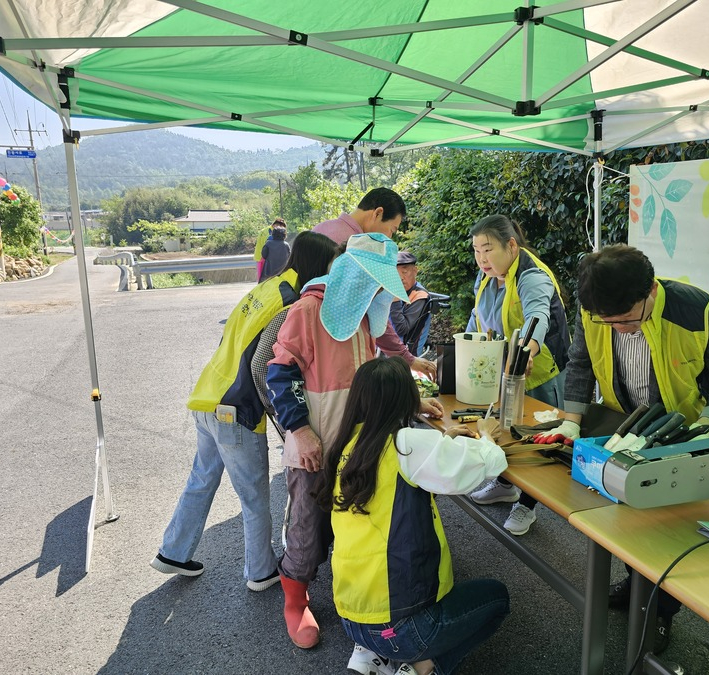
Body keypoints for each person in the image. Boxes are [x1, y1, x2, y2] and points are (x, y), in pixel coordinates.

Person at [557, 243, 709, 653]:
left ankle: (659, 613)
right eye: (606, 322)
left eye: (626, 321)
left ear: (649, 292)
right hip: (625, 425)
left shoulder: (700, 312)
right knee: (628, 517)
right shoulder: (596, 308)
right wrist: (571, 421)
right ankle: (635, 586)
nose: (618, 330)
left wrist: (706, 425)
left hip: (686, 434)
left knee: (665, 531)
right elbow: (579, 363)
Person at [266, 233, 445, 650]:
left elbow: (379, 365)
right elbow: (279, 373)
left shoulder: (364, 313)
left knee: (355, 523)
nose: (383, 292)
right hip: (315, 442)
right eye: (378, 282)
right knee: (308, 529)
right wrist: (301, 430)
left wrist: (410, 397)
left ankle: (357, 600)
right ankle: (295, 601)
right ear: (355, 277)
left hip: (357, 445)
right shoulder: (308, 311)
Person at [150, 231, 340, 592]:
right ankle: (260, 571)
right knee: (254, 496)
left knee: (201, 479)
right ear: (319, 264)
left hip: (207, 395)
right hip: (234, 407)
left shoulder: (268, 287)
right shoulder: (292, 301)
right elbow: (261, 366)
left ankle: (173, 551)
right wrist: (290, 426)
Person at [314, 357, 511, 675]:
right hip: (404, 627)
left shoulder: (344, 448)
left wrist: (443, 441)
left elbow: (401, 472)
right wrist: (486, 435)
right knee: (497, 598)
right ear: (407, 399)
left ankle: (374, 659)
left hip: (352, 620)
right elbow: (486, 465)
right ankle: (424, 668)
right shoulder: (407, 444)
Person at [465, 215, 571, 536]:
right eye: (476, 250)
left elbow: (537, 315)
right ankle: (503, 483)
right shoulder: (487, 277)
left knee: (539, 439)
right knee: (507, 428)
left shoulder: (531, 275)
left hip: (542, 373)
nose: (482, 258)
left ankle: (526, 504)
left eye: (488, 249)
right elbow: (476, 318)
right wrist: (465, 350)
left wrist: (526, 350)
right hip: (504, 372)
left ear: (511, 245)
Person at [313, 187, 436, 380]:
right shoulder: (353, 247)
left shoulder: (323, 228)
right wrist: (407, 358)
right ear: (378, 213)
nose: (389, 238)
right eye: (392, 230)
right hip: (339, 364)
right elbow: (370, 312)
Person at [389, 251, 431, 356]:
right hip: (388, 348)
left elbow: (401, 330)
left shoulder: (420, 296)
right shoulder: (392, 290)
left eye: (405, 272)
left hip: (408, 354)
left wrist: (395, 300)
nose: (400, 278)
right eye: (396, 273)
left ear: (415, 271)